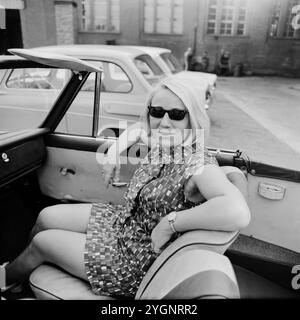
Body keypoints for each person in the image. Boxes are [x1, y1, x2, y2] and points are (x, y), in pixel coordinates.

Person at [0, 78, 250, 299]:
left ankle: (6, 279)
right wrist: (113, 153)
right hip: (126, 222)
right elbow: (138, 129)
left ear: (191, 118)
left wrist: (171, 222)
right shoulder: (167, 142)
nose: (163, 122)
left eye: (176, 114)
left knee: (43, 242)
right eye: (156, 111)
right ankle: (22, 270)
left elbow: (238, 212)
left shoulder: (197, 162)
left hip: (135, 259)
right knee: (46, 216)